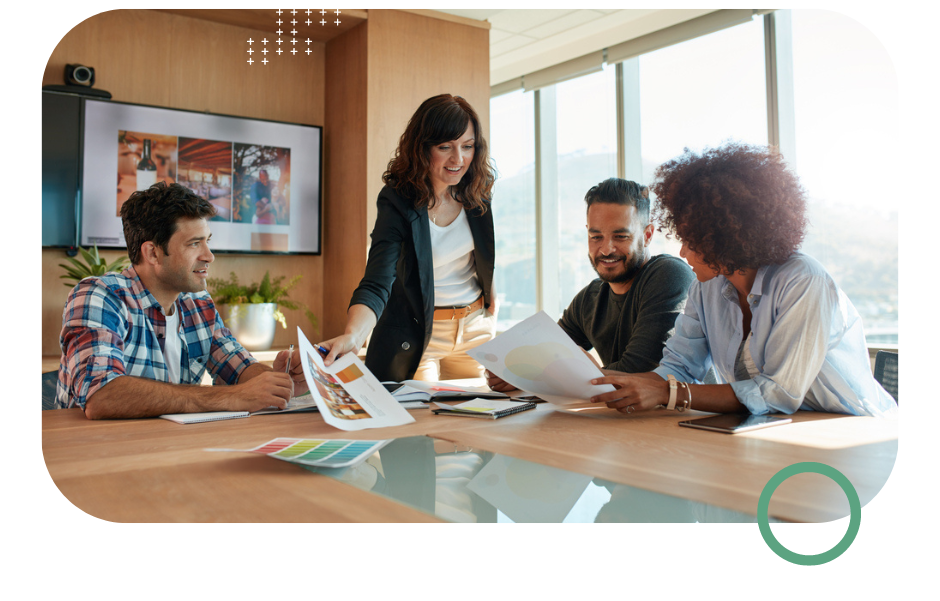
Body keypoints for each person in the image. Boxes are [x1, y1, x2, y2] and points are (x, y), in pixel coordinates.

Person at [589, 143, 897, 418]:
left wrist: (671, 394)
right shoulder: (705, 289)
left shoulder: (803, 281)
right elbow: (677, 367)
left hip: (857, 432)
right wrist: (601, 381)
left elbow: (779, 393)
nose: (682, 252)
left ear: (724, 238)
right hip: (775, 430)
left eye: (691, 240)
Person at [55, 182, 306, 419]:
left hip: (171, 448)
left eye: (207, 241)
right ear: (153, 253)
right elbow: (101, 396)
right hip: (94, 454)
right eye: (195, 244)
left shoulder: (197, 303)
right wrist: (231, 397)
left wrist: (284, 381)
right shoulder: (100, 297)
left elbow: (239, 368)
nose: (209, 256)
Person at [318, 94, 497, 383]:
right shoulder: (397, 200)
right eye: (445, 147)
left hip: (476, 329)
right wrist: (354, 335)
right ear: (422, 148)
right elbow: (377, 280)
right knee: (419, 418)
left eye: (467, 146)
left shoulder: (478, 188)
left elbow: (482, 250)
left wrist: (492, 295)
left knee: (480, 419)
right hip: (419, 334)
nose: (459, 159)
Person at [486, 178, 694, 392]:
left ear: (647, 235)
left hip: (685, 419)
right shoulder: (590, 298)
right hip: (628, 420)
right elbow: (543, 356)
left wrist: (558, 373)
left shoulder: (669, 275)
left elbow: (637, 374)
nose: (605, 249)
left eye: (620, 236)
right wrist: (512, 374)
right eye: (596, 236)